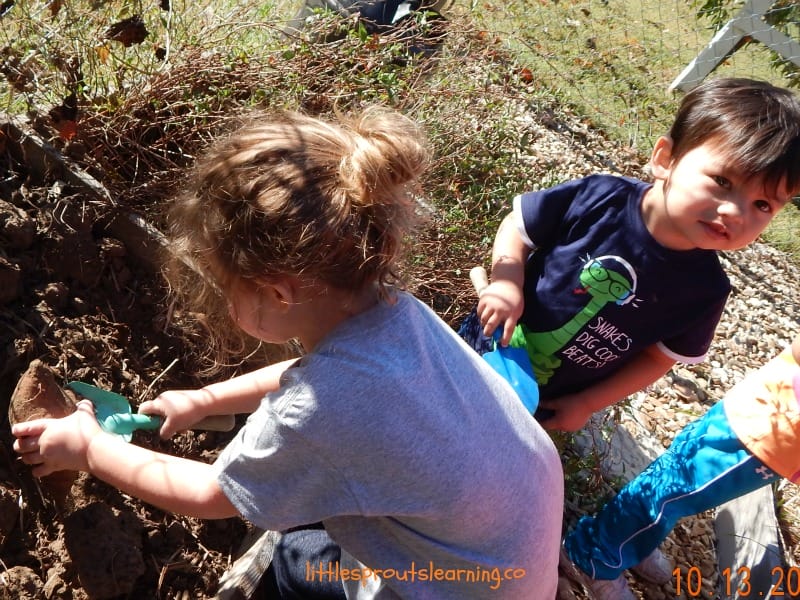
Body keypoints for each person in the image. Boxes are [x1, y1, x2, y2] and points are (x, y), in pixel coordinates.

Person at [11, 107, 564, 599]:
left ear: (278, 293)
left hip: (461, 585)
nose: (226, 303)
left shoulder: (317, 413)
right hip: (509, 544)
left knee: (302, 557)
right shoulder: (397, 312)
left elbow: (208, 493)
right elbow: (312, 374)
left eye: (229, 289)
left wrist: (87, 449)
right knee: (307, 549)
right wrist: (207, 398)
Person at [460, 77, 800, 432]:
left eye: (762, 204)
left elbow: (657, 358)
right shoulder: (601, 196)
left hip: (548, 397)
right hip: (489, 336)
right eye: (722, 182)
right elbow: (518, 227)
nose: (735, 211)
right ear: (665, 159)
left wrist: (587, 404)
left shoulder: (705, 292)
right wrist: (506, 283)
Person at [563, 331, 800, 599]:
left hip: (777, 444)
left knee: (678, 494)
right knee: (669, 493)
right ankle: (593, 558)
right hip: (762, 431)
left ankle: (630, 542)